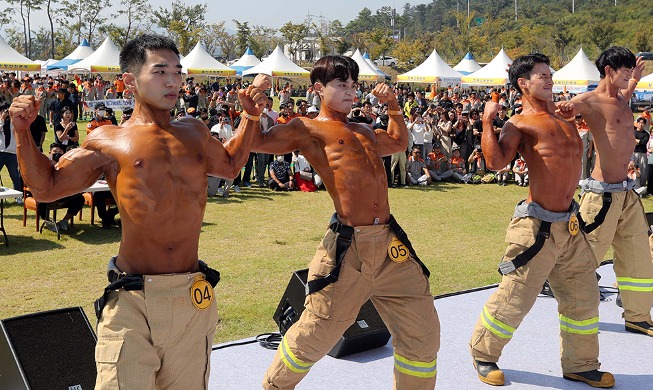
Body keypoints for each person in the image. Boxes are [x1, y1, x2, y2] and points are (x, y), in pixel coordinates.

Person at [9, 34, 270, 389]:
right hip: (134, 299)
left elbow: (229, 165)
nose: (173, 81)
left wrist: (250, 118)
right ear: (130, 80)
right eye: (160, 71)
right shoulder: (108, 140)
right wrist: (23, 134)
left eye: (178, 72)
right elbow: (47, 187)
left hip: (191, 294)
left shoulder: (194, 130)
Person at [251, 56, 440, 390]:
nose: (350, 91)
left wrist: (394, 105)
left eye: (353, 85)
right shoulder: (306, 128)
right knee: (316, 333)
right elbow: (257, 143)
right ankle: (274, 386)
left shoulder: (364, 128)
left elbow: (398, 142)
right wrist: (253, 108)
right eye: (341, 85)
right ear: (318, 89)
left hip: (390, 244)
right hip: (348, 248)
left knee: (422, 331)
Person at [469, 53, 614, 388]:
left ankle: (581, 364)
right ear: (523, 83)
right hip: (536, 228)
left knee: (583, 295)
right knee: (516, 296)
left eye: (550, 75)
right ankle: (483, 353)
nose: (550, 80)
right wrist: (488, 122)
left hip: (571, 224)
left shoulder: (565, 119)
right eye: (542, 76)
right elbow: (494, 163)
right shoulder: (519, 124)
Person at [570, 46, 653, 336]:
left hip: (627, 194)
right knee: (582, 257)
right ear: (608, 71)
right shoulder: (589, 100)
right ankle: (573, 312)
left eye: (631, 71)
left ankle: (638, 317)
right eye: (626, 71)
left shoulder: (622, 97)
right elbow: (560, 112)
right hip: (600, 197)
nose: (630, 76)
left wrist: (635, 80)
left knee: (638, 256)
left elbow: (623, 98)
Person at [37, 143, 85, 232]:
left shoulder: (66, 164)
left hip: (63, 193)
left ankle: (64, 221)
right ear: (49, 152)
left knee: (79, 198)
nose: (57, 154)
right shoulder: (43, 164)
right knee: (41, 200)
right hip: (48, 193)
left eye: (60, 152)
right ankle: (47, 221)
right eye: (55, 152)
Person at [633, 117, 649, 189]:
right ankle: (632, 185)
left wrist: (636, 141)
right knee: (632, 168)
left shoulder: (646, 134)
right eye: (639, 123)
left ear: (645, 124)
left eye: (642, 123)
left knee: (643, 169)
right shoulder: (633, 132)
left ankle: (642, 186)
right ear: (637, 123)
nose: (641, 124)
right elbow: (630, 141)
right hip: (633, 153)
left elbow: (644, 142)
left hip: (642, 153)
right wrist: (638, 141)